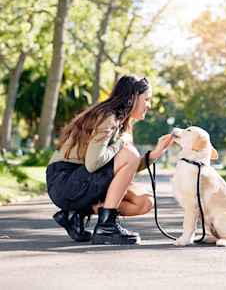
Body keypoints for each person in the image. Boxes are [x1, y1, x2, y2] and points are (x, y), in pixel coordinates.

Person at [46, 73, 173, 245]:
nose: (149, 106)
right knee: (130, 153)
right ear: (132, 98)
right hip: (64, 181)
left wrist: (153, 155)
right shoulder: (107, 117)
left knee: (145, 202)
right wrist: (121, 143)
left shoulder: (122, 123)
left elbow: (123, 167)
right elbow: (93, 164)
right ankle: (106, 225)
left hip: (81, 180)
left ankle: (77, 213)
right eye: (146, 99)